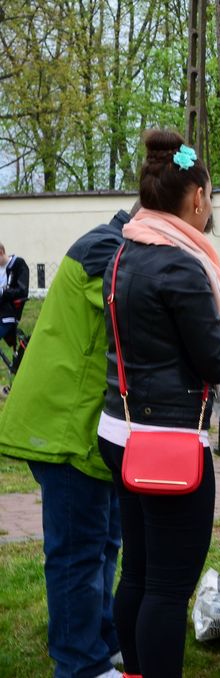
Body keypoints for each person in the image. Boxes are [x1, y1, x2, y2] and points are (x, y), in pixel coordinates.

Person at [97, 129, 220, 678]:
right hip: (167, 443)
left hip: (119, 430)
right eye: (211, 197)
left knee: (138, 573)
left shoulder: (127, 250)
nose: (210, 207)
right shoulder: (181, 263)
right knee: (168, 590)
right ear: (196, 198)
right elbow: (216, 361)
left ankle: (132, 671)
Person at [0, 208, 140, 678]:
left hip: (90, 433)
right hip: (65, 430)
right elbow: (143, 307)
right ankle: (79, 662)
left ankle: (99, 636)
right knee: (77, 552)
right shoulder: (105, 250)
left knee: (104, 541)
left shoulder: (117, 248)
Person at [0, 241, 30, 346]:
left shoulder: (18, 264)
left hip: (8, 314)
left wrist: (3, 292)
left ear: (1, 252)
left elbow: (22, 290)